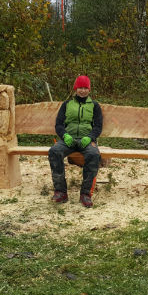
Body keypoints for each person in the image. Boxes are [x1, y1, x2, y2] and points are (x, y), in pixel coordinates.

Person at [48, 75, 103, 207]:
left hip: (86, 139)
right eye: (80, 88)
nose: (82, 91)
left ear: (89, 90)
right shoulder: (67, 104)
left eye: (85, 88)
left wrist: (90, 137)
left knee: (94, 155)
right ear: (75, 89)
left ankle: (85, 194)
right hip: (69, 139)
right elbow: (59, 125)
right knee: (54, 151)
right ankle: (60, 192)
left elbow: (98, 126)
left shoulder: (94, 106)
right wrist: (65, 135)